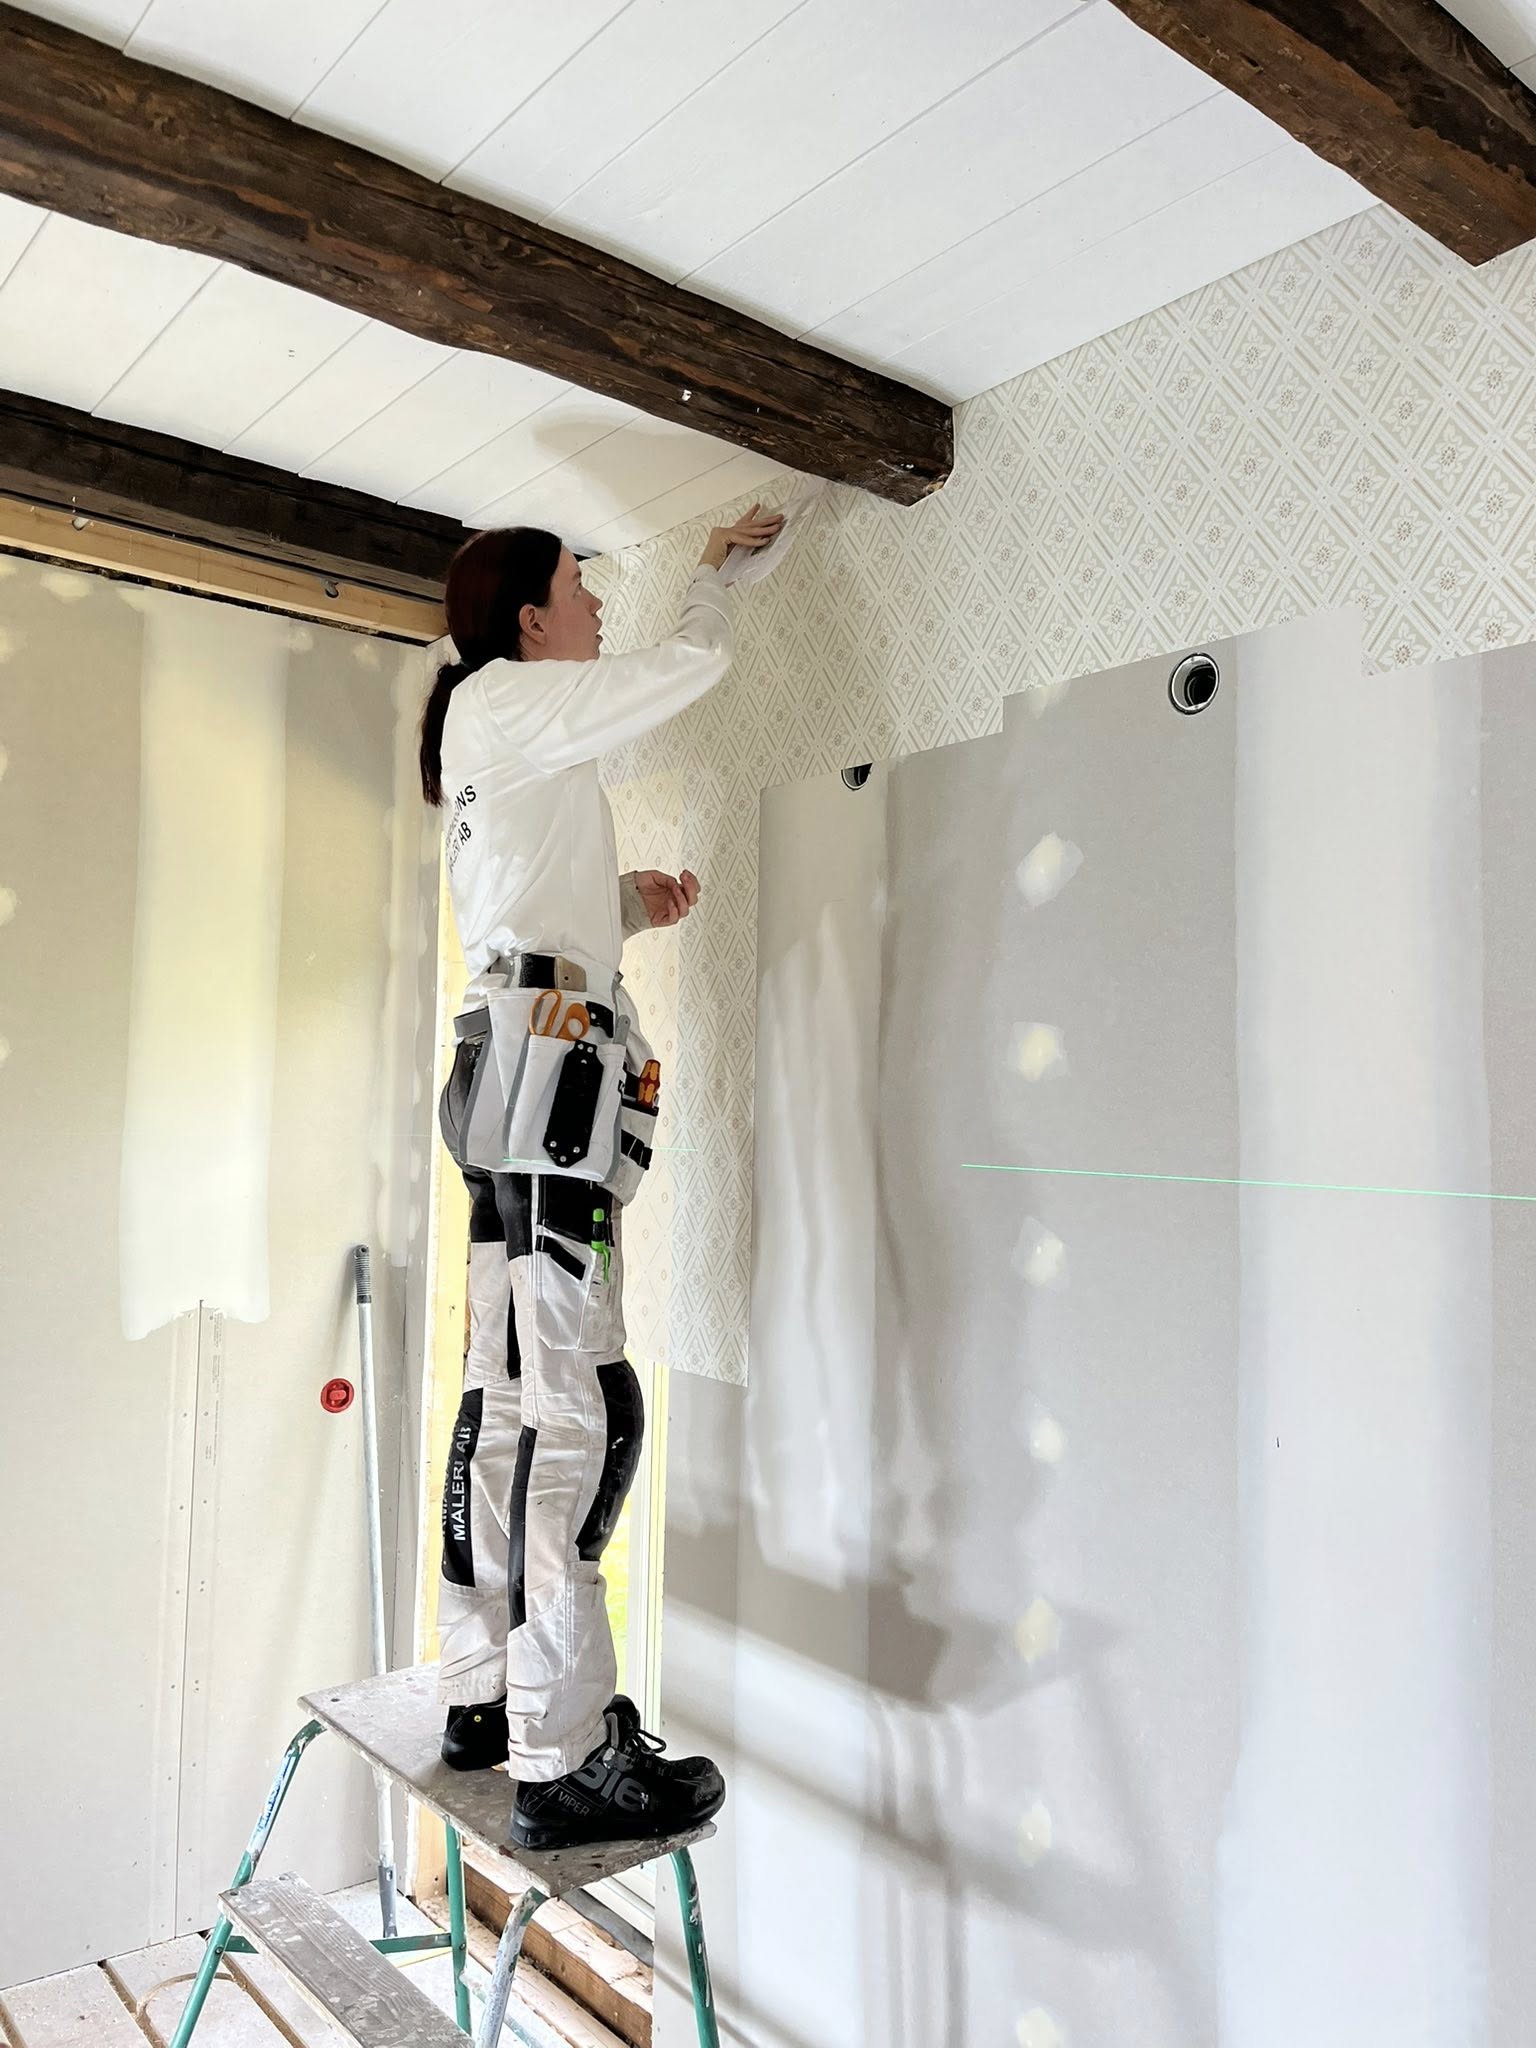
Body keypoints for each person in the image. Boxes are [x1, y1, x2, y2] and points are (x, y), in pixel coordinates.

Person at [418, 503, 783, 1850]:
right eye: (581, 588)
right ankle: (562, 1757)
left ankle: (484, 1696)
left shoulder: (494, 729)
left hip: (511, 1065)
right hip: (547, 1072)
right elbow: (689, 668)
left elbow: (523, 906)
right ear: (531, 620)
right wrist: (713, 575)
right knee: (579, 1412)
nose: (596, 606)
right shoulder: (510, 699)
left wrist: (623, 903)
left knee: (512, 1390)